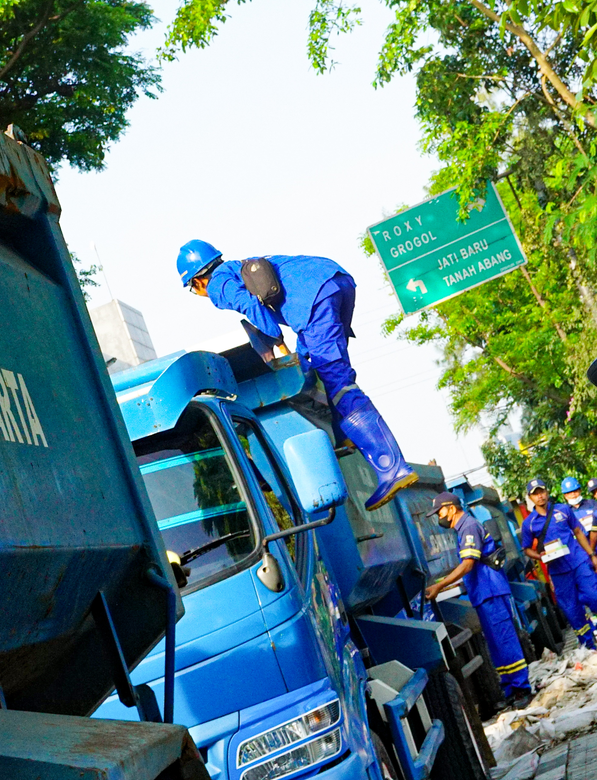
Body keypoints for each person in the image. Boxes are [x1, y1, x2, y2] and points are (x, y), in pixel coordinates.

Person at [176, 242, 418, 510]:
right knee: (317, 366)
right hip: (335, 279)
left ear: (198, 281)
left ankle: (392, 468)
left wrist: (275, 339)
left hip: (314, 299)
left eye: (193, 289)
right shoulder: (236, 267)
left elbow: (248, 304)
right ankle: (343, 433)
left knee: (337, 381)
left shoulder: (217, 284)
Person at [424, 492, 532, 709]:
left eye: (440, 512)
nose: (439, 517)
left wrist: (439, 586)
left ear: (451, 508)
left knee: (505, 640)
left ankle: (522, 687)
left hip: (491, 591)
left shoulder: (469, 527)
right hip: (484, 593)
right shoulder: (463, 528)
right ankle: (511, 689)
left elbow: (468, 564)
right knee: (496, 643)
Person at [520, 479, 597, 651]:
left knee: (593, 595)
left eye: (541, 491)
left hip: (578, 561)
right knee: (572, 610)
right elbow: (526, 549)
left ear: (547, 492)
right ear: (530, 498)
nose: (540, 496)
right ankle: (590, 646)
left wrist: (591, 555)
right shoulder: (529, 523)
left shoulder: (563, 509)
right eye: (535, 494)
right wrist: (540, 556)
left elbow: (578, 531)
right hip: (558, 571)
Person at [562, 476, 597, 550]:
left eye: (575, 491)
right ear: (565, 496)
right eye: (569, 493)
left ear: (580, 491)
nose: (573, 495)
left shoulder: (592, 504)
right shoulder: (565, 512)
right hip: (579, 549)